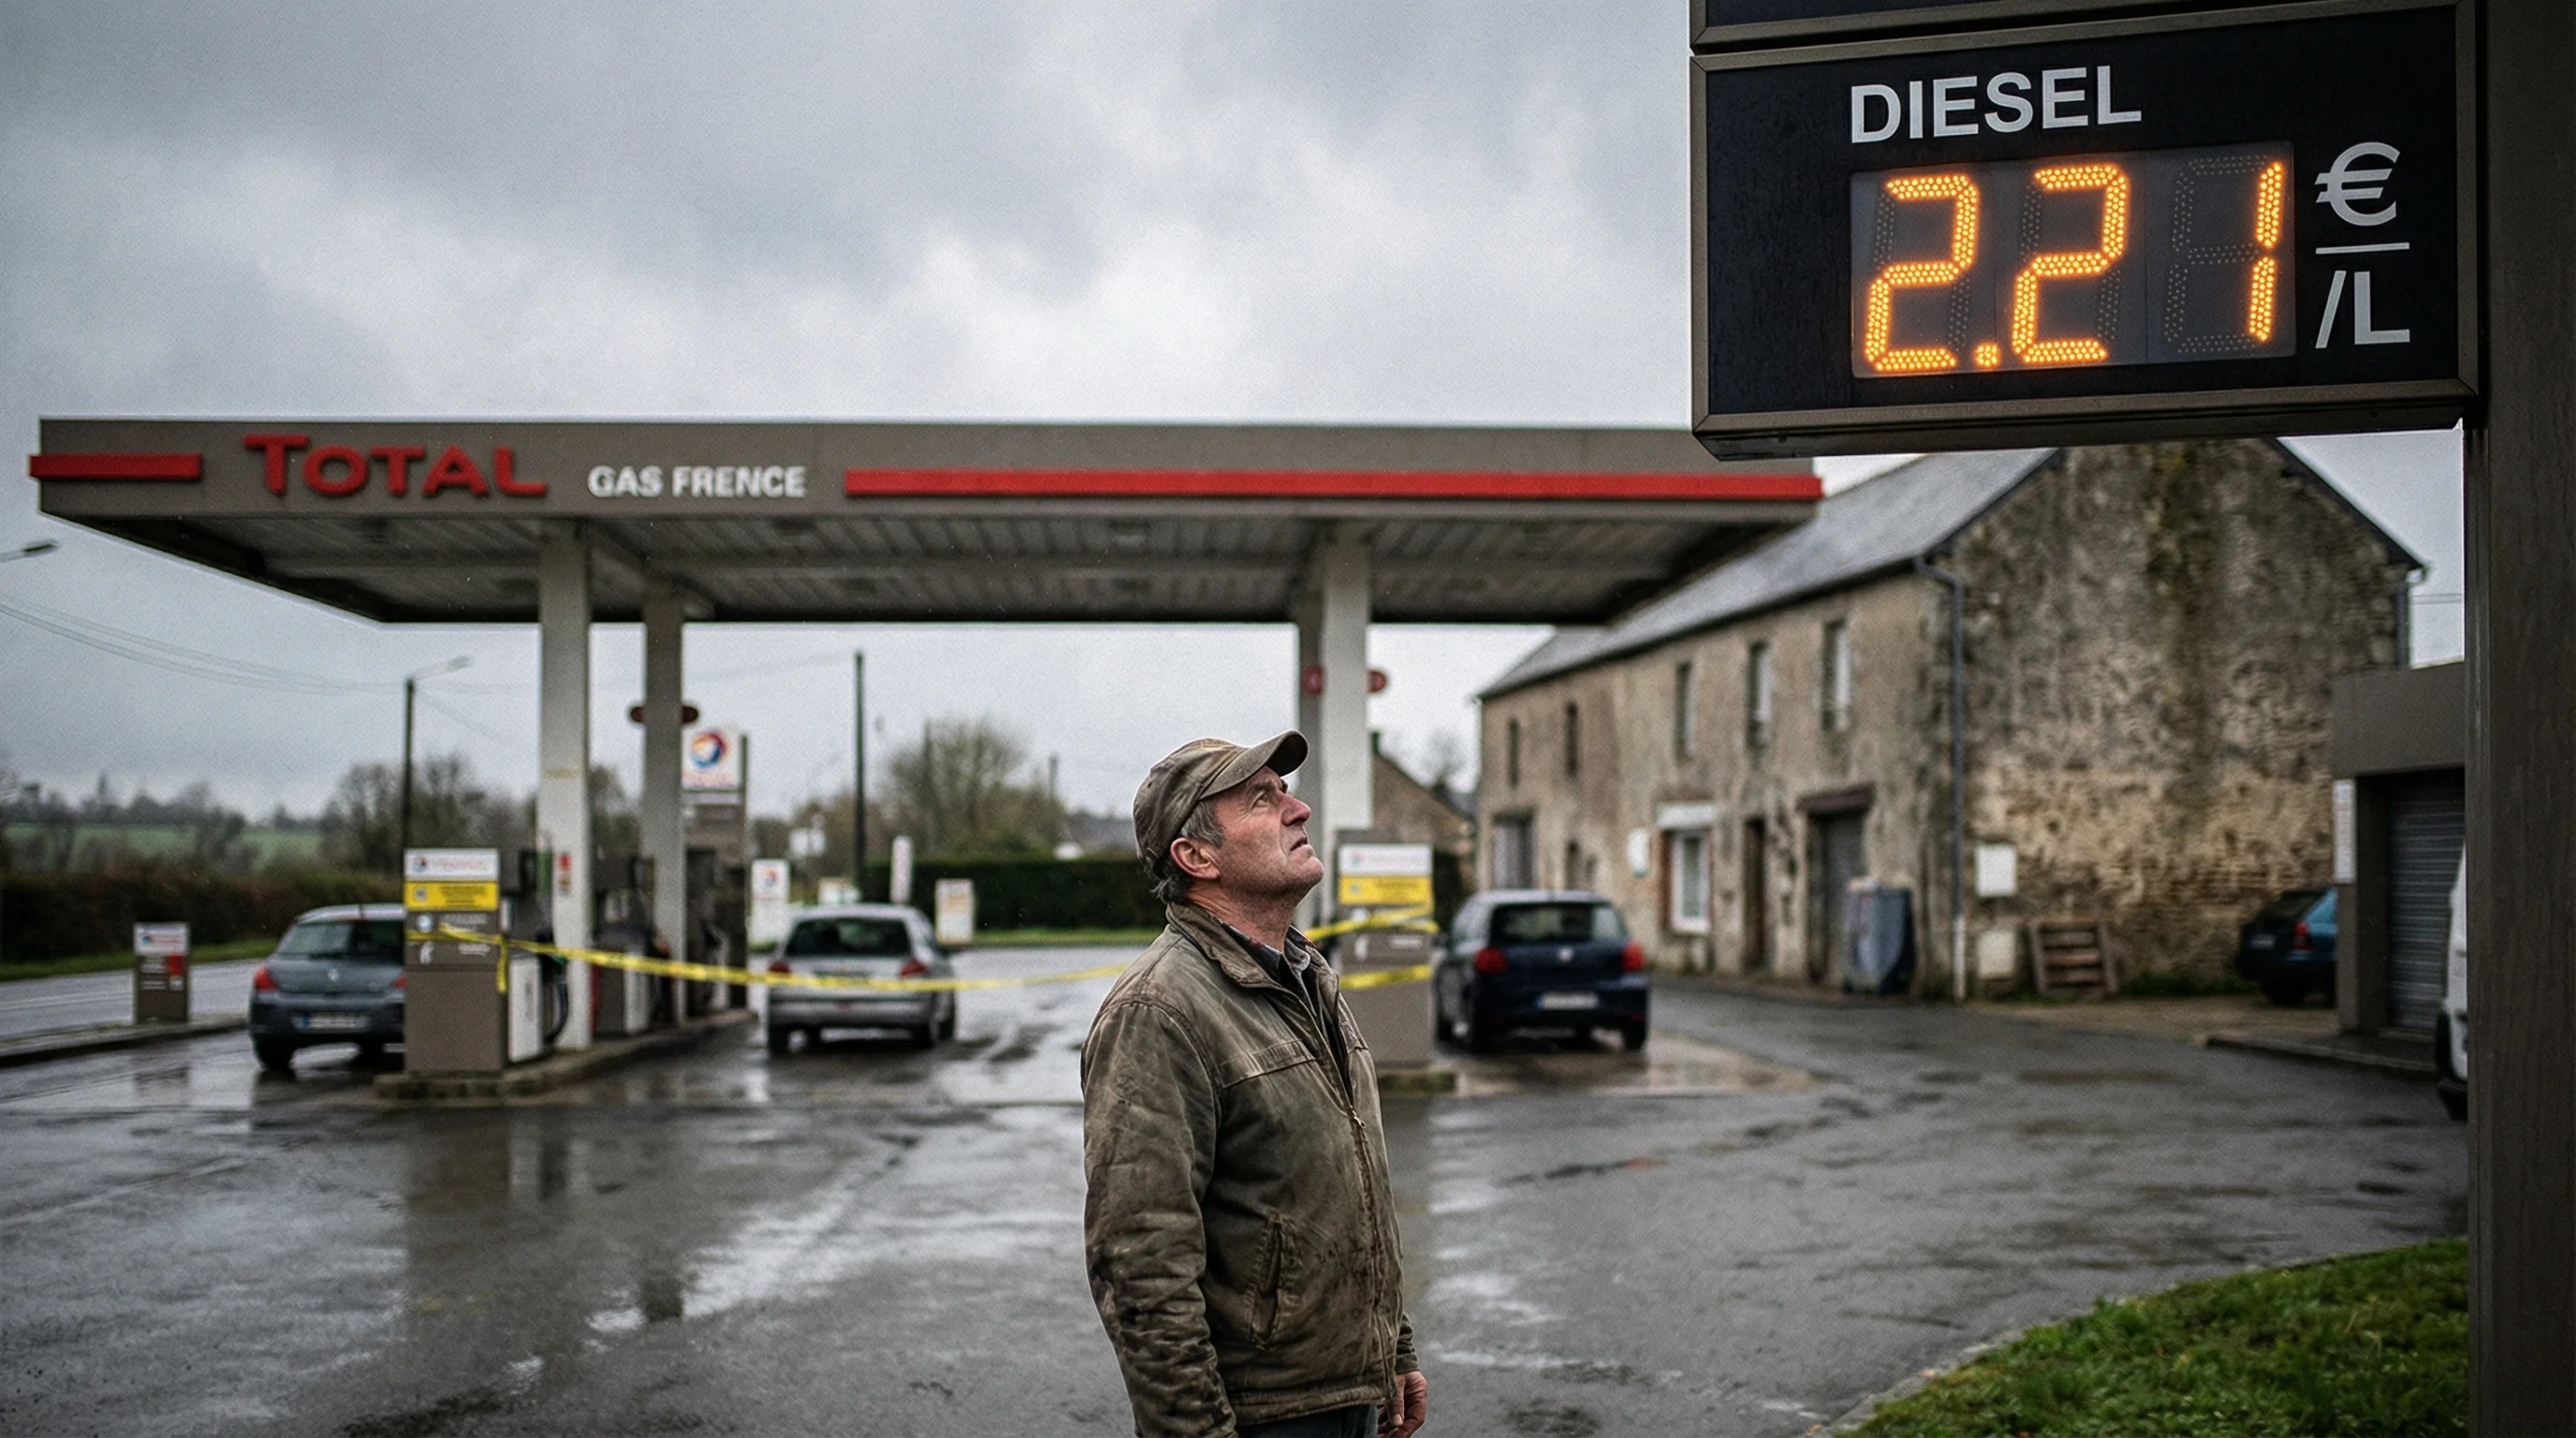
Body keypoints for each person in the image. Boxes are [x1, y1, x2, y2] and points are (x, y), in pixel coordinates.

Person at [1083, 731, 1429, 1438]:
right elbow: (1140, 1265)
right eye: (1261, 799)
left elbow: (1345, 1187)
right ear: (1196, 857)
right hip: (1265, 1416)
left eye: (1286, 791)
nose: (1298, 809)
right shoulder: (1159, 1010)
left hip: (1348, 1392)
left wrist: (1391, 1348)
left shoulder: (1307, 978)